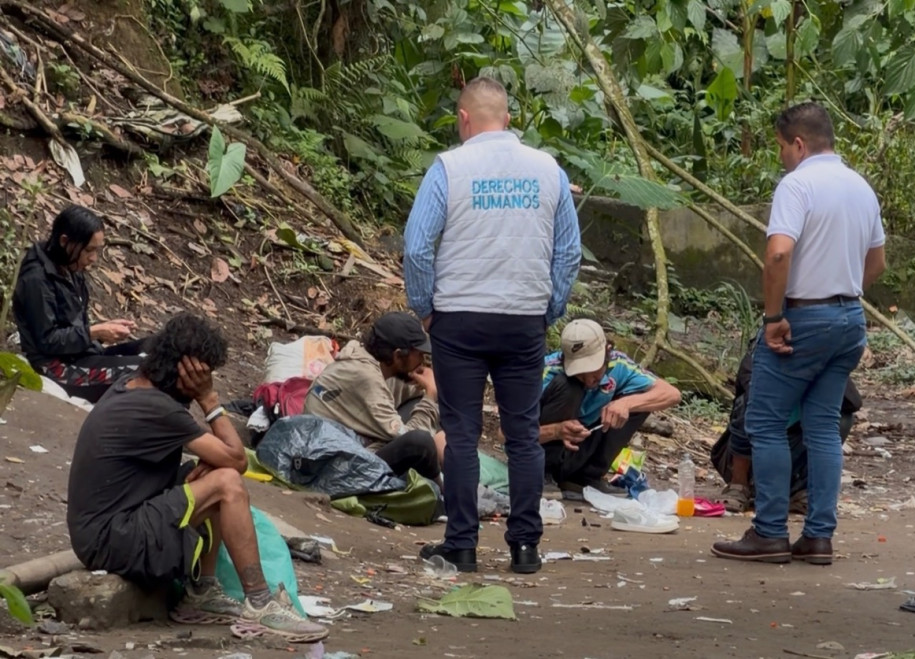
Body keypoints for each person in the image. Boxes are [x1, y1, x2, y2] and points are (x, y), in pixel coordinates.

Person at [403, 76, 582, 574]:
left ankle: (461, 545)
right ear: (507, 119)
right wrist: (548, 309)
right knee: (523, 434)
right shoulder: (548, 170)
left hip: (459, 319)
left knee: (461, 434)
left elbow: (418, 247)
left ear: (463, 118)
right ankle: (525, 547)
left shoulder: (448, 169)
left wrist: (425, 308)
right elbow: (568, 252)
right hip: (523, 320)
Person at [66, 313, 327, 642]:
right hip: (112, 540)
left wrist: (210, 468)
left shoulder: (134, 385)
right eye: (203, 376)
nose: (204, 384)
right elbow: (236, 460)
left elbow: (221, 459)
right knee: (227, 483)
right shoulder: (157, 408)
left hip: (106, 530)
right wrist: (210, 401)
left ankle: (202, 591)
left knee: (215, 473)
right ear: (186, 372)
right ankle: (260, 603)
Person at [711, 102, 885, 566]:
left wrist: (773, 318)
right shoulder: (861, 187)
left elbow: (778, 256)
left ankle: (769, 531)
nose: (782, 158)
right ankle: (818, 536)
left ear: (799, 144)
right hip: (849, 319)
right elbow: (878, 261)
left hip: (802, 319)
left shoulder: (798, 184)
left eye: (782, 148)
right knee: (823, 426)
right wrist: (843, 293)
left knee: (764, 421)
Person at [711, 337, 862, 513]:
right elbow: (753, 391)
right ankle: (738, 485)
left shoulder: (820, 360)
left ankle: (802, 491)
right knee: (749, 404)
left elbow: (853, 402)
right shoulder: (760, 354)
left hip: (796, 452)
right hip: (754, 451)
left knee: (839, 416)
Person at [13, 205, 143, 403]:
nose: (93, 258)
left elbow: (72, 325)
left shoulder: (69, 267)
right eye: (89, 250)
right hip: (57, 367)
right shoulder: (36, 280)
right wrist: (95, 332)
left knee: (159, 349)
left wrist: (105, 331)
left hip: (83, 354)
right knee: (147, 372)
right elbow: (48, 340)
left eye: (96, 250)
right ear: (65, 241)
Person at [540, 319, 680, 500]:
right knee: (566, 386)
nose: (588, 378)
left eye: (593, 368)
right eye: (579, 371)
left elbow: (672, 394)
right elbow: (506, 433)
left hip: (582, 447)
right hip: (539, 452)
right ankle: (544, 473)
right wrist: (556, 431)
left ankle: (585, 478)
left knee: (639, 397)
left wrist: (627, 404)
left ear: (607, 352)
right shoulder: (545, 371)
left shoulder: (618, 365)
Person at [304, 311, 445, 481]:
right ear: (398, 356)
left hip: (347, 444)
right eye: (420, 355)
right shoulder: (366, 378)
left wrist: (430, 388)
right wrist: (430, 395)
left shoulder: (367, 361)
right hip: (334, 467)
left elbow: (400, 394)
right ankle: (444, 494)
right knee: (420, 442)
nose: (422, 361)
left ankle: (448, 471)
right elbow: (408, 436)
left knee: (425, 406)